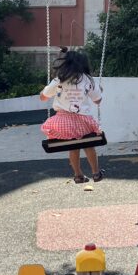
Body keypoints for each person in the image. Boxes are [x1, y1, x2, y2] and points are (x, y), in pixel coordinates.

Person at [39, 49, 104, 184]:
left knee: (73, 146)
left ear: (65, 63)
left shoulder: (59, 79)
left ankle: (78, 175)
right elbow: (97, 101)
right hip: (83, 123)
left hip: (62, 124)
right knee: (88, 144)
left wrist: (46, 91)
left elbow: (43, 98)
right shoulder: (88, 79)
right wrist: (98, 91)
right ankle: (96, 173)